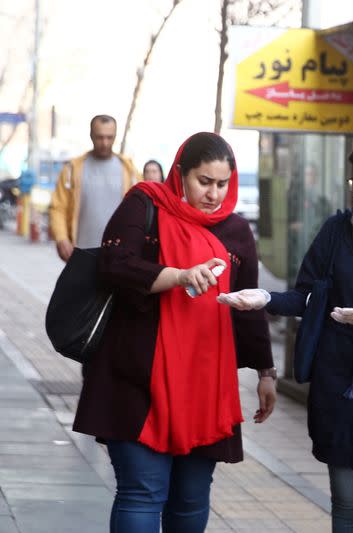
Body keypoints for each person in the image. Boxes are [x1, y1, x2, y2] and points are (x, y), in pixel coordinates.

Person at [73, 132, 278, 533]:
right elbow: (114, 264)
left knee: (191, 499)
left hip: (205, 385)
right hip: (138, 377)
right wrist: (178, 276)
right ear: (181, 173)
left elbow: (249, 305)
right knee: (142, 493)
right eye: (204, 181)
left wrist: (266, 374)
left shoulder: (235, 231)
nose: (214, 193)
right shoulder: (145, 204)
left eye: (222, 184)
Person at [218, 135, 353, 533]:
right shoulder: (337, 231)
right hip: (342, 384)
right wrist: (265, 298)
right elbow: (305, 295)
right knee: (347, 504)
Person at [49, 114, 140, 261]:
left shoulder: (129, 171)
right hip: (81, 253)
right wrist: (61, 238)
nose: (105, 142)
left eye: (110, 137)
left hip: (119, 255)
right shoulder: (72, 169)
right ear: (91, 135)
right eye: (100, 137)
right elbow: (58, 207)